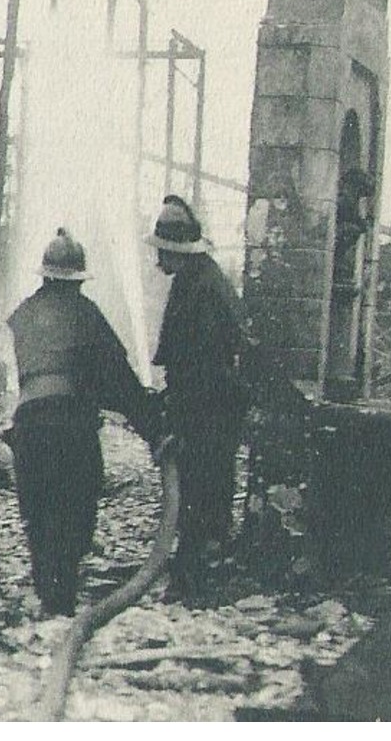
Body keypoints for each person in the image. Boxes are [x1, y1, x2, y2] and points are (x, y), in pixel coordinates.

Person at [5, 228, 153, 616]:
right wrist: (155, 431)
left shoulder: (23, 314)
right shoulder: (85, 314)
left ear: (46, 275)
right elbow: (119, 381)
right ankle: (63, 602)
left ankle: (48, 596)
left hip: (29, 425)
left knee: (38, 513)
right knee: (75, 510)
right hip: (71, 427)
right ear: (77, 280)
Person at [145, 195, 247, 600]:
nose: (158, 262)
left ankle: (195, 581)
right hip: (209, 406)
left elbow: (201, 366)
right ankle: (196, 575)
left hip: (209, 410)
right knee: (205, 490)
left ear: (177, 251)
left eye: (163, 253)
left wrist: (180, 420)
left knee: (201, 492)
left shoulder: (201, 288)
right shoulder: (198, 279)